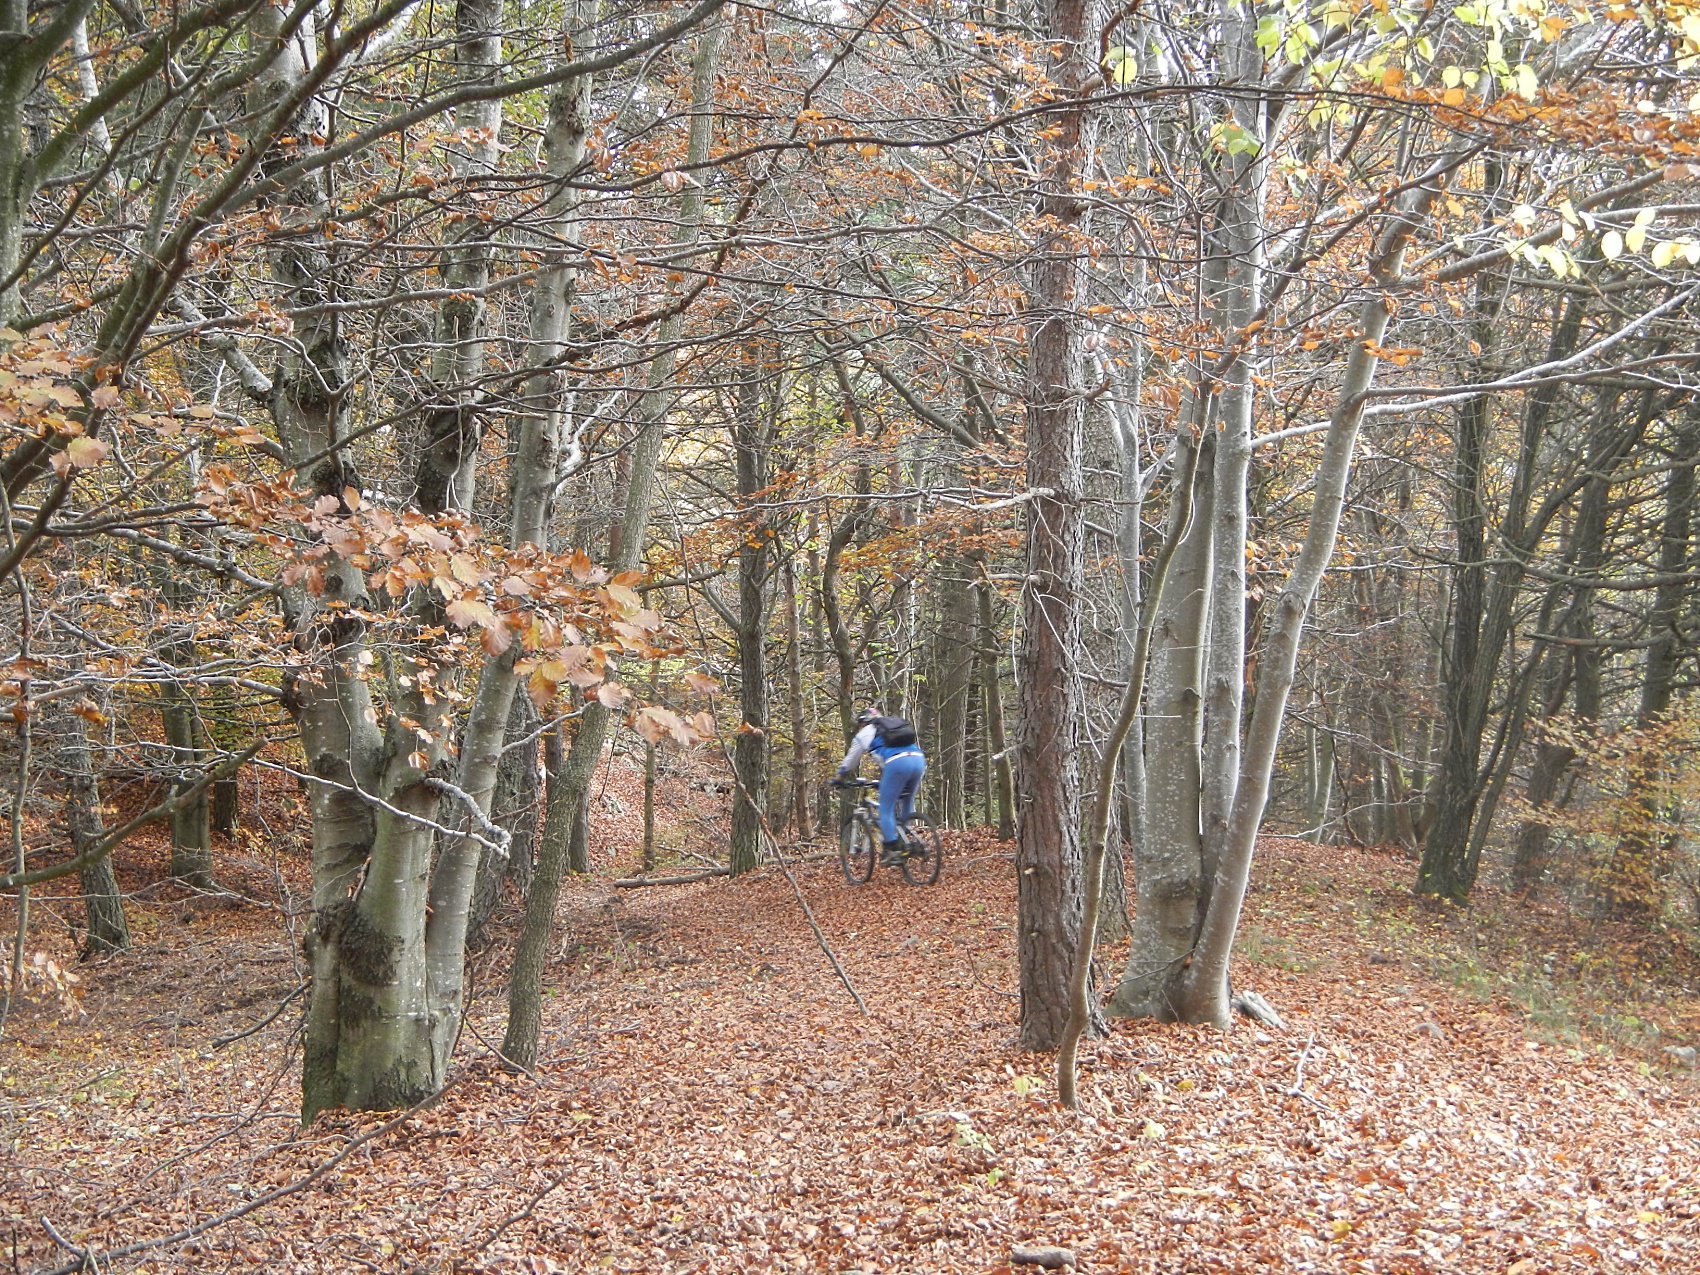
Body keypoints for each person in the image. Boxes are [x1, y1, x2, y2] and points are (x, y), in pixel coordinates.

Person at [833, 706, 926, 867]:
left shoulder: (864, 734)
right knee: (907, 800)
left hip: (897, 764)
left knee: (886, 808)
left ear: (863, 722)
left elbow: (851, 761)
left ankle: (892, 850)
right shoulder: (893, 729)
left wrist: (839, 777)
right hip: (918, 760)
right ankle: (908, 840)